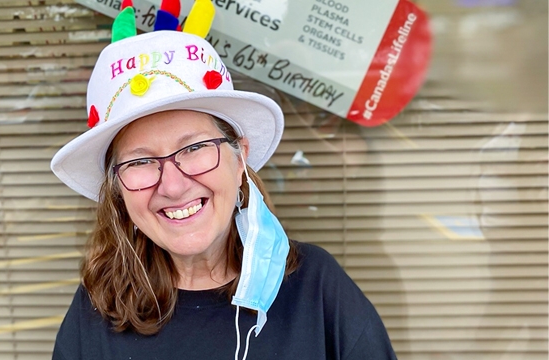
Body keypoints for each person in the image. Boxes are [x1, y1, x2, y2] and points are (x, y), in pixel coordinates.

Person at [51, 1, 396, 359]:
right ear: (118, 189)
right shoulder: (99, 305)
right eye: (141, 161)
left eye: (195, 148)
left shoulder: (316, 290)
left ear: (240, 158)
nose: (172, 185)